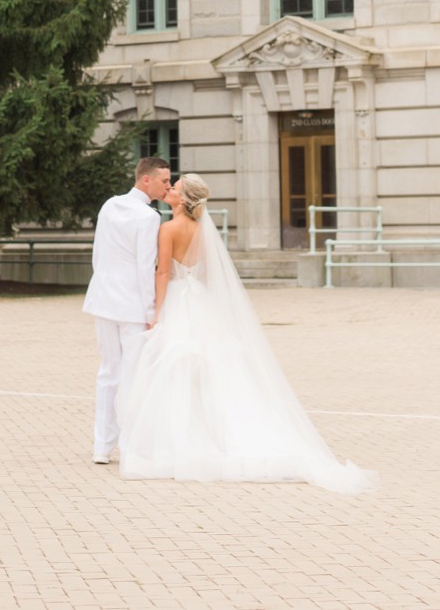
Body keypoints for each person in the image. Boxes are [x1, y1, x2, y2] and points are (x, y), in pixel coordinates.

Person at [116, 173, 374, 495]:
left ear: (183, 199)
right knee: (210, 374)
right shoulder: (203, 232)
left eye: (175, 188)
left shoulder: (167, 229)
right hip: (201, 304)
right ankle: (210, 433)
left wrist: (156, 314)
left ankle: (182, 442)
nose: (169, 189)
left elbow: (164, 273)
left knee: (176, 372)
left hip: (179, 304)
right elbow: (209, 276)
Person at [82, 155, 171, 464]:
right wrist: (150, 312)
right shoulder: (148, 217)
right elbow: (144, 266)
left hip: (103, 298)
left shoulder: (110, 205)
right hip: (132, 303)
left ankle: (102, 447)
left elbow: (98, 254)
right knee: (131, 375)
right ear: (145, 179)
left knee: (108, 372)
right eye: (163, 180)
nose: (167, 186)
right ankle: (131, 445)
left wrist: (103, 285)